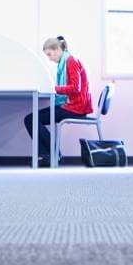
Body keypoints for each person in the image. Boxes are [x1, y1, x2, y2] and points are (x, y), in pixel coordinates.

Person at [23, 36, 93, 167]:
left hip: (75, 108)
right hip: (72, 105)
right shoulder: (66, 62)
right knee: (32, 119)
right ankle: (50, 155)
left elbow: (75, 88)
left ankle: (51, 155)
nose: (49, 58)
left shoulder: (70, 61)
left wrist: (53, 89)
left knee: (31, 119)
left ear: (56, 50)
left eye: (49, 54)